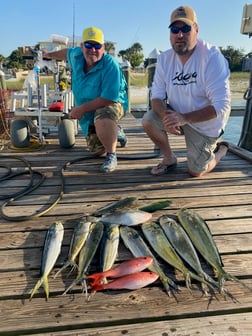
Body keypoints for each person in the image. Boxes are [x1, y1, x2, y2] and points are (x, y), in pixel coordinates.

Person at [142, 5, 231, 177]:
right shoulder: (164, 59)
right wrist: (166, 117)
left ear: (196, 30)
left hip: (206, 125)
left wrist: (185, 118)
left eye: (185, 28)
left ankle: (222, 150)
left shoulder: (212, 57)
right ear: (170, 33)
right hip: (178, 117)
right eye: (175, 29)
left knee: (196, 171)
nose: (180, 35)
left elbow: (222, 106)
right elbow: (157, 97)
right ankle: (169, 158)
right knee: (148, 120)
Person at [43, 26, 128, 172]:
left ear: (103, 48)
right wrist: (49, 54)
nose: (92, 50)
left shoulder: (111, 65)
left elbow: (109, 99)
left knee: (104, 115)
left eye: (97, 46)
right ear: (82, 47)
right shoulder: (76, 55)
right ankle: (116, 132)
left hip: (111, 103)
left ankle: (111, 155)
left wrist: (81, 109)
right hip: (88, 107)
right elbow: (65, 53)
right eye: (88, 45)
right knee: (95, 151)